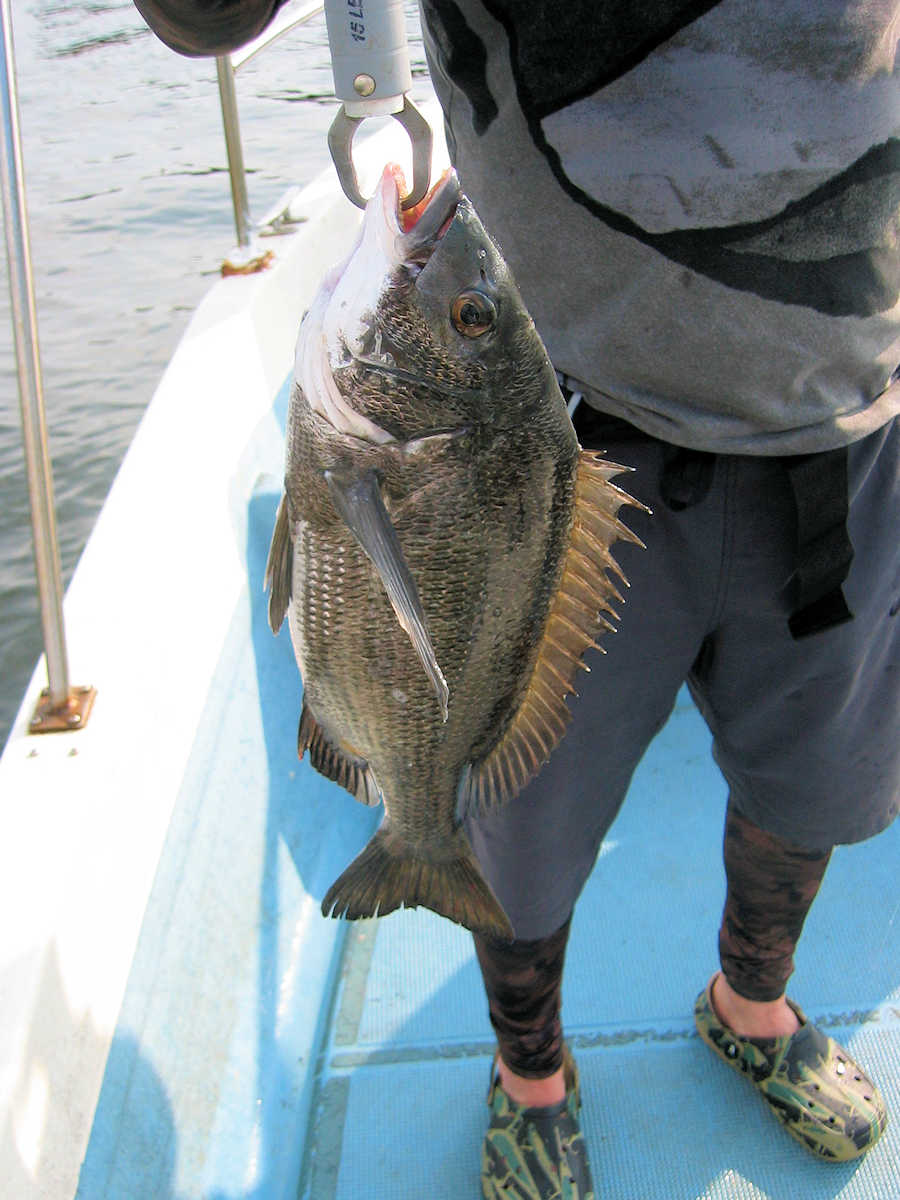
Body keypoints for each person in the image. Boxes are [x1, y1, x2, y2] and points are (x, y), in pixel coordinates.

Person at [135, 2, 899, 1195]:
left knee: (811, 787)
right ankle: (530, 1072)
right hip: (566, 439)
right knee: (520, 824)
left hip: (851, 421)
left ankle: (752, 1002)